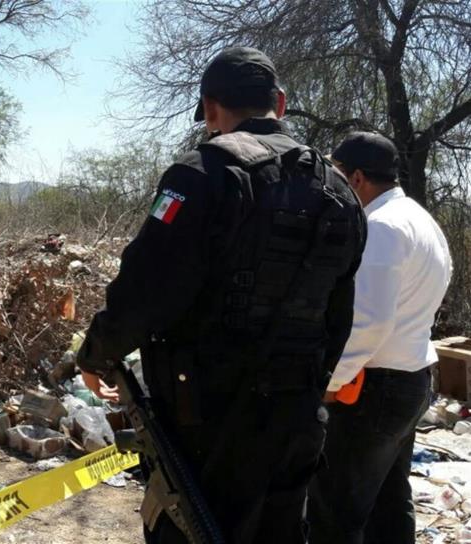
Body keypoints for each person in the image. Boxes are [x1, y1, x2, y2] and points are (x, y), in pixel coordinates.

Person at [76, 47, 366, 544]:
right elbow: (338, 320)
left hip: (208, 422)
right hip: (297, 417)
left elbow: (144, 288)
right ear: (280, 100)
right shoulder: (341, 192)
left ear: (210, 109)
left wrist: (96, 353)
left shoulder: (202, 174)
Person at [308, 132, 452, 544]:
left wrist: (330, 384)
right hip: (413, 376)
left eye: (335, 175)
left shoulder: (381, 227)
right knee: (389, 502)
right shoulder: (419, 219)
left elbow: (368, 323)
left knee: (336, 511)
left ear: (355, 179)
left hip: (375, 389)